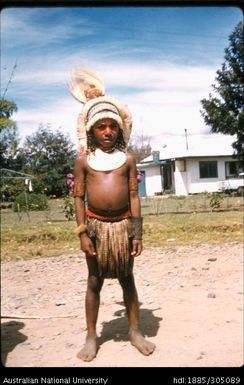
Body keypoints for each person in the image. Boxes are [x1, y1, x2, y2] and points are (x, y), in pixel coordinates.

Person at [70, 68, 155, 362]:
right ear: (91, 130)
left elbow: (133, 196)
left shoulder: (128, 160)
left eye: (112, 126)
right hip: (94, 227)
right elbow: (78, 197)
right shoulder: (83, 161)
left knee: (126, 278)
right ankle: (92, 335)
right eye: (100, 127)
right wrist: (83, 234)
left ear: (120, 129)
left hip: (121, 227)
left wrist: (136, 232)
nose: (107, 132)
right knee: (94, 280)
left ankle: (134, 331)